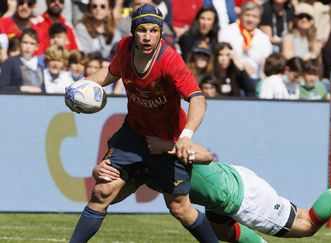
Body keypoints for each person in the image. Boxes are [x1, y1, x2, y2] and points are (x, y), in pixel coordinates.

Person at [66, 4, 219, 243]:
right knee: (102, 191)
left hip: (167, 141)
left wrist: (186, 136)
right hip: (133, 136)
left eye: (153, 30)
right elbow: (108, 74)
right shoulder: (126, 49)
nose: (147, 37)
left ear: (160, 32)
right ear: (133, 31)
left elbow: (198, 99)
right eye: (142, 30)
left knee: (180, 208)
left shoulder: (170, 60)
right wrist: (79, 88)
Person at [92, 136, 331, 242]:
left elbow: (205, 154)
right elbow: (112, 197)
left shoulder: (157, 149)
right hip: (227, 188)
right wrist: (101, 178)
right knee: (223, 233)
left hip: (241, 197)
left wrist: (171, 147)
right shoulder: (140, 167)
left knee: (307, 225)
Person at [0, 28, 44, 93]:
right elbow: (2, 88)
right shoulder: (10, 62)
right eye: (25, 42)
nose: (28, 46)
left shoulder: (40, 66)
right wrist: (21, 88)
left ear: (37, 47)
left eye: (32, 43)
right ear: (19, 44)